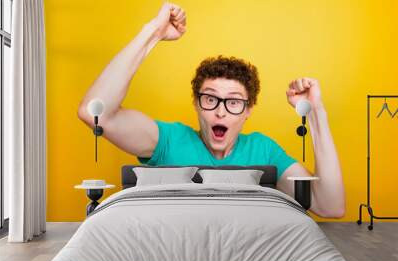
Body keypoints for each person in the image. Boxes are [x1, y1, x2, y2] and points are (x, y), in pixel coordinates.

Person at [78, 2, 345, 218]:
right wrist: (153, 33)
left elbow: (329, 206)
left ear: (248, 110)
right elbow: (94, 113)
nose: (221, 112)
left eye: (233, 102)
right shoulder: (168, 140)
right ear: (196, 103)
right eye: (210, 99)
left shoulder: (264, 150)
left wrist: (315, 113)